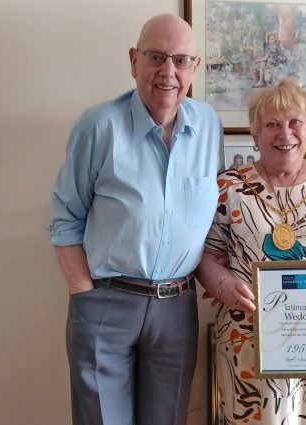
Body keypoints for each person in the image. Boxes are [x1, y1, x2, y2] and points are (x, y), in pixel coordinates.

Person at [48, 14, 223, 425]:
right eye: (156, 57)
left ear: (195, 68)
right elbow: (64, 217)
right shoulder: (97, 126)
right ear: (133, 60)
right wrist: (84, 292)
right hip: (106, 302)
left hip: (176, 308)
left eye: (181, 60)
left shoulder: (209, 125)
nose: (168, 72)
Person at [196, 78, 306, 424]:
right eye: (272, 124)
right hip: (248, 341)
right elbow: (207, 257)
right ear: (255, 134)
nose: (286, 133)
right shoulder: (229, 186)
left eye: (296, 122)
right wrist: (224, 287)